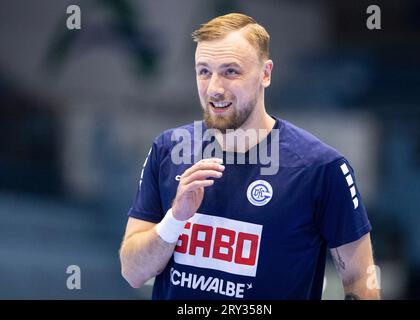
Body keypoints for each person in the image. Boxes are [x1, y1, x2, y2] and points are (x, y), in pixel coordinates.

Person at [119, 13, 380, 300]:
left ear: (265, 73)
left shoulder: (321, 168)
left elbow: (359, 280)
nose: (215, 88)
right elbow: (133, 272)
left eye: (231, 71)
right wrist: (175, 219)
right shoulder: (168, 150)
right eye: (204, 71)